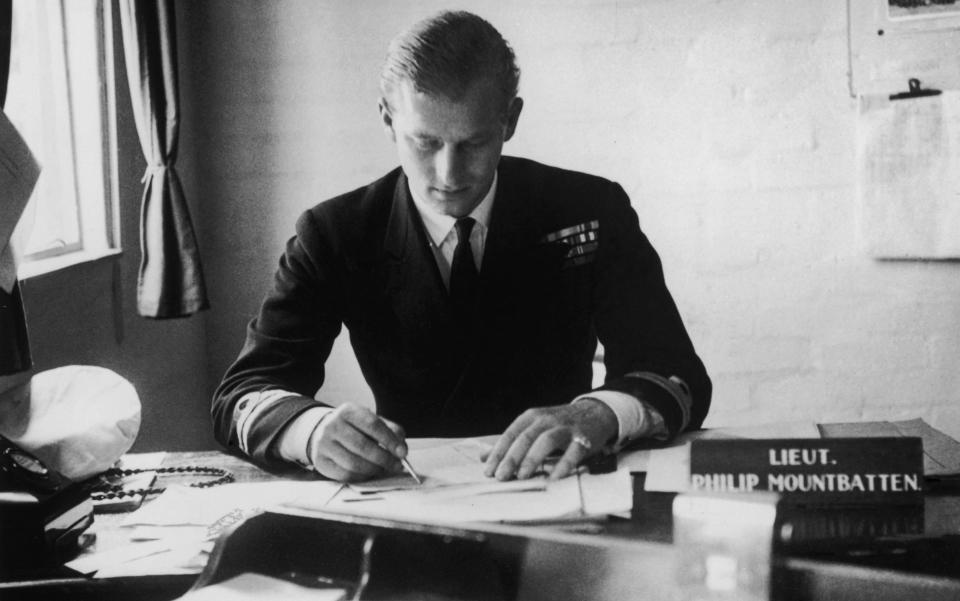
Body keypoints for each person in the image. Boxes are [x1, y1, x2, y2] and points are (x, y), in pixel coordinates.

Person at [212, 10, 711, 483]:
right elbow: (241, 395)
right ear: (387, 120)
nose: (448, 176)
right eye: (425, 142)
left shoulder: (590, 207)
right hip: (410, 501)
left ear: (509, 122)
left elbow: (678, 375)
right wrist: (312, 431)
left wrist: (600, 412)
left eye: (473, 144)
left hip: (565, 488)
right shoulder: (335, 232)